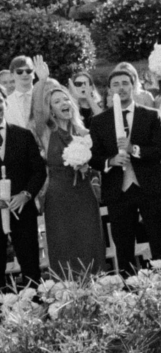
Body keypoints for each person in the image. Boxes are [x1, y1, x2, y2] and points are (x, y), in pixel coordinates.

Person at [88, 66, 161, 273]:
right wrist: (110, 161)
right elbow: (94, 158)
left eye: (125, 83)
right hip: (118, 190)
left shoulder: (150, 115)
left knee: (159, 239)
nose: (121, 88)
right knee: (123, 244)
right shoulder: (99, 122)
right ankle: (129, 285)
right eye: (115, 84)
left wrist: (134, 149)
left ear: (133, 87)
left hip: (149, 187)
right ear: (109, 90)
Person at [37, 83, 106, 275]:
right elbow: (37, 112)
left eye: (66, 99)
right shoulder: (47, 133)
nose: (64, 103)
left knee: (89, 239)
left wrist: (88, 166)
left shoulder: (83, 133)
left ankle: (95, 283)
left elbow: (104, 123)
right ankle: (66, 287)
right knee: (63, 241)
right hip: (58, 196)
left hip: (84, 193)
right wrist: (42, 81)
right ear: (50, 110)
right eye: (57, 102)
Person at [0, 88, 46, 285]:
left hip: (22, 210)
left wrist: (25, 195)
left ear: (5, 103)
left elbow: (39, 171)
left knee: (30, 266)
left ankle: (35, 301)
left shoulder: (23, 135)